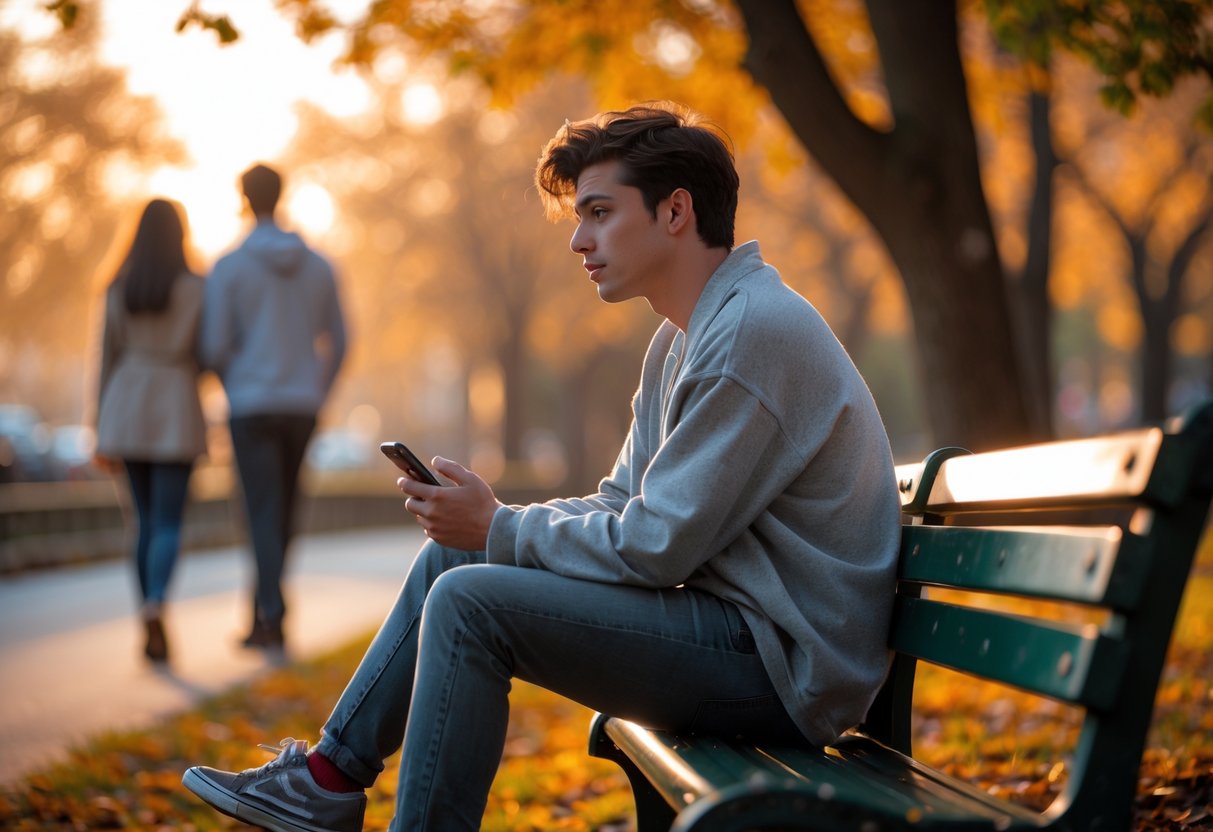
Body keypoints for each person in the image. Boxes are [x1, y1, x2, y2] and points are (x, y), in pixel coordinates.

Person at [183, 103, 901, 832]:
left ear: (675, 210)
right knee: (451, 564)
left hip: (784, 669)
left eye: (598, 212)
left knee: (471, 604)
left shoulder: (749, 334)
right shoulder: (684, 338)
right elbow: (624, 500)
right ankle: (328, 779)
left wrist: (503, 526)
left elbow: (655, 546)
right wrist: (490, 525)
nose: (579, 241)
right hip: (740, 633)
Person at [200, 163, 348, 651]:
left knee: (258, 510)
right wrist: (317, 390)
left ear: (243, 198)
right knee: (283, 510)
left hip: (250, 404)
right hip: (301, 403)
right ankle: (265, 611)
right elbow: (341, 340)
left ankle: (271, 614)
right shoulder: (319, 265)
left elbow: (215, 346)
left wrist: (234, 384)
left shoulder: (228, 266)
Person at [92, 198, 207, 664]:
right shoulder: (196, 286)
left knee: (140, 521)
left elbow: (104, 358)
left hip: (124, 403)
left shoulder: (117, 286)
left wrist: (97, 426)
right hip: (175, 402)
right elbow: (208, 350)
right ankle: (158, 599)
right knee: (168, 520)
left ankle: (145, 607)